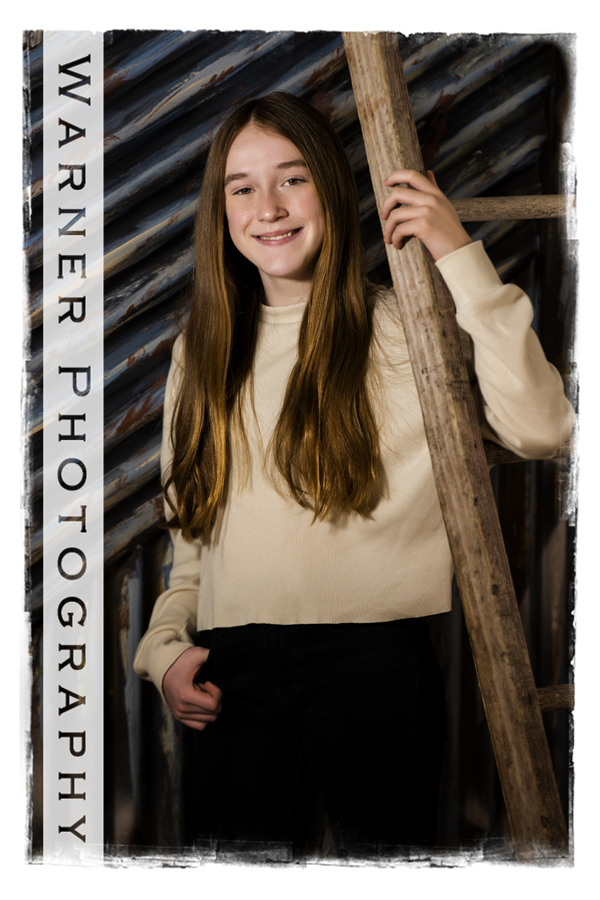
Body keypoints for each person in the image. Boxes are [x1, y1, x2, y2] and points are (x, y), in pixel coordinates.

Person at [133, 91, 575, 861]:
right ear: (221, 210)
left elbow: (543, 431)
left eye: (292, 179)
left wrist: (458, 256)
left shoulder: (410, 329)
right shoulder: (199, 353)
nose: (267, 206)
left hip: (374, 667)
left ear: (333, 189)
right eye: (242, 187)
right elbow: (194, 540)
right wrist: (165, 648)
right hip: (233, 675)